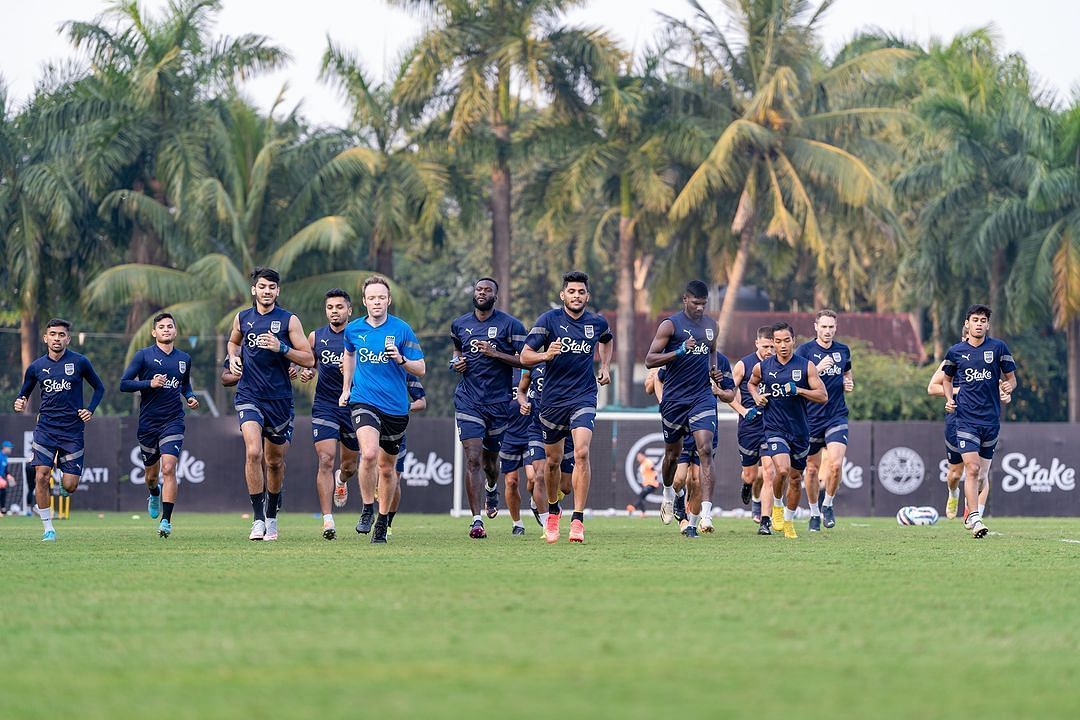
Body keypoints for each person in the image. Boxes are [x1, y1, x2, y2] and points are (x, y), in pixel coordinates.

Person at [521, 271, 613, 544]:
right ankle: (552, 511)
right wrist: (545, 355)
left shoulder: (596, 322)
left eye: (581, 292)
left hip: (583, 396)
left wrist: (605, 366)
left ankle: (578, 520)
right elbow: (525, 356)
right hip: (551, 401)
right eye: (571, 291)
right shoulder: (548, 321)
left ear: (587, 296)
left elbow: (607, 340)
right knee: (552, 462)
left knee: (582, 453)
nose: (576, 296)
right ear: (563, 295)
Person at [226, 267, 315, 542]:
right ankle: (257, 520)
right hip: (249, 396)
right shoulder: (243, 318)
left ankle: (272, 517)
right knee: (253, 452)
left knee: (274, 462)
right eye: (262, 287)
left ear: (278, 291)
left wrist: (282, 349)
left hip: (279, 400)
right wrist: (232, 357)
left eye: (272, 287)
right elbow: (233, 341)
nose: (267, 291)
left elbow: (310, 359)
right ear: (254, 290)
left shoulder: (289, 321)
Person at [339, 275, 426, 544]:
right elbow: (349, 355)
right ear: (364, 302)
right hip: (364, 399)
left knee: (388, 470)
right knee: (368, 454)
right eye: (371, 298)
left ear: (389, 300)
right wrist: (347, 388)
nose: (376, 302)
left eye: (381, 297)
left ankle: (382, 521)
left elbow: (421, 368)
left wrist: (401, 360)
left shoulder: (402, 330)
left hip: (397, 408)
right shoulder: (353, 330)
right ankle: (367, 509)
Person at [12, 318, 105, 541]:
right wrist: (20, 401)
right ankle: (48, 528)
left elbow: (99, 388)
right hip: (45, 429)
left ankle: (65, 480)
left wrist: (90, 409)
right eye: (52, 334)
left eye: (61, 335)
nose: (56, 338)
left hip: (72, 432)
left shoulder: (80, 362)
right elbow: (24, 392)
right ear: (45, 338)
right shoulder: (35, 367)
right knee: (41, 477)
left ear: (68, 339)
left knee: (70, 486)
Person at [644, 281, 726, 533]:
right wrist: (679, 351)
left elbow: (712, 353)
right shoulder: (670, 325)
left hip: (702, 397)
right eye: (696, 303)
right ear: (685, 300)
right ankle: (668, 494)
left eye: (704, 304)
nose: (700, 308)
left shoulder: (712, 326)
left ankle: (706, 514)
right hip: (674, 400)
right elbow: (649, 360)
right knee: (671, 455)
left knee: (705, 449)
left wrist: (714, 371)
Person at [449, 277, 527, 539]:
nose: (482, 293)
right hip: (468, 400)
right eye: (479, 289)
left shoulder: (510, 325)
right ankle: (476, 520)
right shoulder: (460, 324)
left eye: (488, 290)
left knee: (491, 463)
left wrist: (496, 354)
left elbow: (526, 360)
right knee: (472, 458)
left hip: (498, 403)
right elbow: (457, 353)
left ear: (496, 295)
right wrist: (456, 363)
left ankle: (492, 489)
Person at [119, 313, 200, 538]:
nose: (166, 329)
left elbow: (185, 386)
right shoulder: (143, 356)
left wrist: (191, 397)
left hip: (173, 420)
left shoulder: (184, 358)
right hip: (148, 423)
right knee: (152, 476)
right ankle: (154, 493)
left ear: (175, 331)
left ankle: (166, 521)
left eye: (170, 326)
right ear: (154, 332)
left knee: (169, 468)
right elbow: (124, 384)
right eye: (161, 327)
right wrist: (149, 383)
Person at [941, 304, 1017, 538]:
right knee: (971, 469)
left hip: (991, 420)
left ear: (987, 324)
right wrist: (949, 399)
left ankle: (970, 508)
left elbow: (1012, 380)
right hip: (965, 419)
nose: (979, 324)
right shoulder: (955, 351)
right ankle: (974, 517)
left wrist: (1007, 388)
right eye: (975, 320)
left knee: (982, 476)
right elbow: (946, 380)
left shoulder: (998, 348)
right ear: (967, 323)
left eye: (983, 320)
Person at [748, 322, 828, 538]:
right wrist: (756, 397)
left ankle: (789, 521)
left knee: (795, 479)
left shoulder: (806, 366)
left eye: (786, 340)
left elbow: (822, 396)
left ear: (793, 341)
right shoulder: (763, 367)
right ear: (772, 343)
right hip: (774, 428)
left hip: (800, 431)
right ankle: (776, 506)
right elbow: (752, 383)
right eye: (777, 341)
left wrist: (800, 390)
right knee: (781, 470)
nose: (782, 345)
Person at [298, 289, 359, 540]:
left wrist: (355, 368)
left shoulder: (359, 335)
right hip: (325, 405)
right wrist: (306, 372)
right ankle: (327, 520)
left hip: (355, 405)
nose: (335, 311)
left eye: (339, 307)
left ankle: (342, 480)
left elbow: (372, 366)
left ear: (349, 310)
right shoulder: (316, 336)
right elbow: (308, 363)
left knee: (349, 466)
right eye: (330, 307)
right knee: (325, 458)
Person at [927, 323, 999, 520]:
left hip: (982, 420)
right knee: (956, 473)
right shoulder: (953, 358)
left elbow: (1000, 388)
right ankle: (953, 494)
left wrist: (1004, 393)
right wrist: (960, 392)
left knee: (979, 470)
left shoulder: (989, 359)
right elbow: (932, 388)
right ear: (963, 339)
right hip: (957, 419)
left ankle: (975, 515)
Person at [795, 310, 854, 531]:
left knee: (836, 464)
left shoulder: (843, 350)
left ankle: (828, 504)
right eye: (824, 327)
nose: (828, 331)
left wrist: (848, 383)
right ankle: (813, 512)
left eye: (831, 327)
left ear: (835, 328)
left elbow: (847, 374)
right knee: (811, 469)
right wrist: (817, 370)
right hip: (810, 418)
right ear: (816, 327)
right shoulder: (805, 351)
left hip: (836, 415)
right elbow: (798, 380)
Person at [729, 326, 775, 524]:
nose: (769, 351)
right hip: (749, 427)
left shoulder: (780, 363)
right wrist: (743, 411)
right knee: (751, 475)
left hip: (773, 426)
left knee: (769, 472)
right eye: (766, 346)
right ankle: (749, 488)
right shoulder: (744, 365)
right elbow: (727, 393)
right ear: (757, 343)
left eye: (773, 347)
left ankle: (765, 520)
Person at [519, 363, 574, 527]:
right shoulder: (530, 363)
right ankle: (547, 523)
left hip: (565, 427)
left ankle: (551, 500)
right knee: (540, 475)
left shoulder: (569, 358)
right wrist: (523, 403)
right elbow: (521, 391)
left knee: (565, 487)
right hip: (538, 427)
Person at [386, 374, 427, 538]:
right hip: (372, 426)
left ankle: (386, 523)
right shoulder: (369, 362)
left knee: (394, 478)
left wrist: (406, 406)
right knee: (372, 465)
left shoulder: (406, 370)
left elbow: (422, 402)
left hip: (397, 429)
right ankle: (367, 512)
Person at [498, 375, 532, 535]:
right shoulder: (503, 369)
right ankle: (517, 523)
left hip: (532, 433)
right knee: (511, 482)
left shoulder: (534, 366)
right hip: (508, 435)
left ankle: (535, 501)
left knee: (534, 477)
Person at [629, 451, 659, 515]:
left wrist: (656, 470)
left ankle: (633, 507)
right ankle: (643, 512)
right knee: (641, 497)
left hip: (651, 484)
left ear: (643, 456)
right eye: (637, 457)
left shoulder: (647, 462)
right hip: (647, 484)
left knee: (640, 496)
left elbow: (653, 468)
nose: (638, 458)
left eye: (639, 456)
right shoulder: (642, 464)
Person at [0, 441, 13, 515]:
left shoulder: (5, 457)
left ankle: (3, 509)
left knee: (3, 491)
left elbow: (5, 469)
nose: (10, 449)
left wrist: (8, 475)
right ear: (5, 448)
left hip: (2, 477)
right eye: (9, 448)